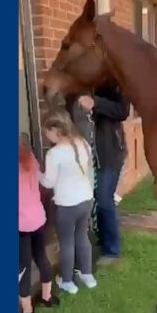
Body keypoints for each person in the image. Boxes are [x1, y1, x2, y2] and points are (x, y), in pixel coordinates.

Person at [72, 81, 130, 266]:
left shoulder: (114, 83)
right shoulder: (85, 83)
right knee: (98, 199)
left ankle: (112, 250)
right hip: (90, 156)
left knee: (104, 200)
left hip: (110, 155)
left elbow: (123, 111)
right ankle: (104, 238)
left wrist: (95, 102)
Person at [40, 111, 97, 294]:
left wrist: (35, 173)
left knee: (66, 242)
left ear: (55, 130)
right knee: (82, 236)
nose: (45, 135)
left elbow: (48, 182)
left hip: (67, 205)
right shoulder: (83, 143)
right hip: (85, 200)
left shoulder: (54, 154)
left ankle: (67, 282)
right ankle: (88, 276)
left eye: (46, 132)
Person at [19, 136, 59, 313]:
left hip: (21, 226)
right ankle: (47, 297)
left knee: (23, 268)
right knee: (41, 258)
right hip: (38, 219)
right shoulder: (33, 162)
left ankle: (27, 311)